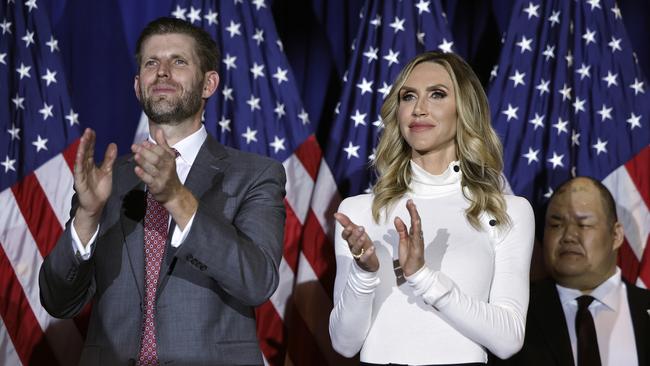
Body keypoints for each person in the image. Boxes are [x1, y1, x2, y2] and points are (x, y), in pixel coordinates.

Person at [39, 17, 286, 365]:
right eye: (151, 63)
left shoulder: (256, 174)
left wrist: (176, 198)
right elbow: (58, 301)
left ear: (208, 83)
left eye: (179, 61)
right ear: (138, 86)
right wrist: (87, 216)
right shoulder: (109, 179)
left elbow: (257, 281)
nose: (163, 72)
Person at [329, 51, 536, 365]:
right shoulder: (359, 211)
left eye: (437, 95)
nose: (419, 109)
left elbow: (509, 339)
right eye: (408, 97)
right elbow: (344, 343)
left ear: (464, 110)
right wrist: (363, 272)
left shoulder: (506, 211)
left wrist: (424, 277)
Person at [492, 177, 650, 366]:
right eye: (556, 225)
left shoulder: (644, 309)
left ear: (616, 235)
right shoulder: (511, 316)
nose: (568, 236)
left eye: (584, 225)